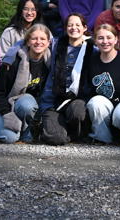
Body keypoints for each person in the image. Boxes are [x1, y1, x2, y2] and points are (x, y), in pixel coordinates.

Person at [0, 24, 53, 144]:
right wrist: (7, 113)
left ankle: (27, 133)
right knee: (10, 138)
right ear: (27, 42)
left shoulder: (51, 63)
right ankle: (3, 124)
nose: (38, 42)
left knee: (27, 103)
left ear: (49, 42)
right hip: (3, 102)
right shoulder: (12, 61)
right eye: (34, 39)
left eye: (42, 39)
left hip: (26, 104)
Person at [40, 13, 95, 145]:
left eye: (77, 25)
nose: (73, 28)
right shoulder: (56, 45)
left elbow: (114, 51)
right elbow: (31, 40)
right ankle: (59, 130)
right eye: (70, 25)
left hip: (77, 99)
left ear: (84, 28)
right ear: (65, 28)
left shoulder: (92, 49)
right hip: (54, 101)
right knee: (56, 139)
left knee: (78, 112)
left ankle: (73, 131)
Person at [81, 24, 120, 143]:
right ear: (95, 41)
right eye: (101, 38)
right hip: (104, 105)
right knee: (95, 102)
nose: (105, 41)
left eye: (109, 37)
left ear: (116, 39)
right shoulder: (91, 61)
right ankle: (103, 140)